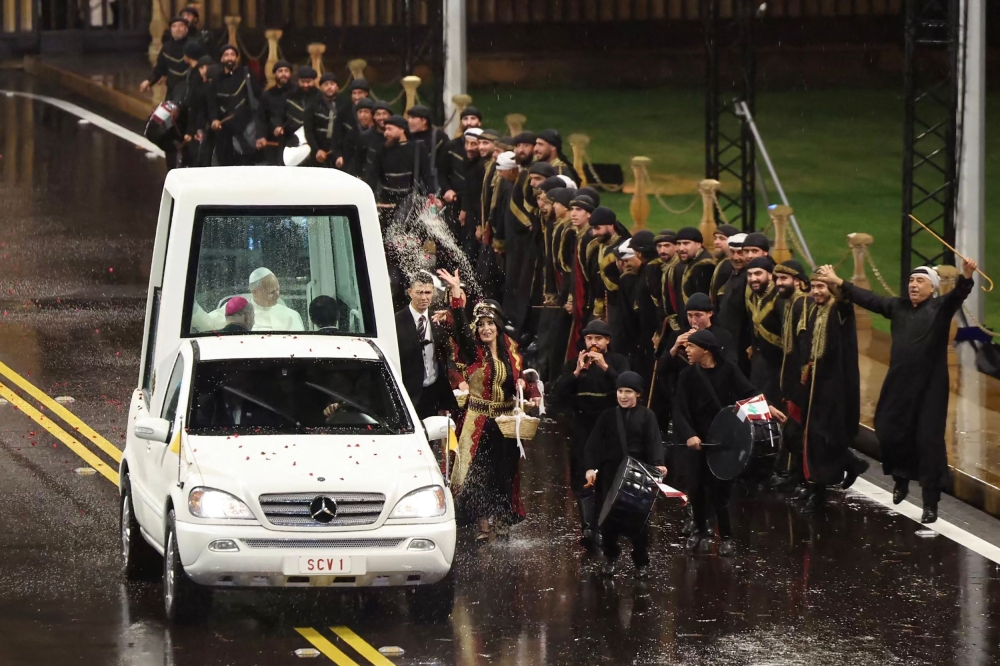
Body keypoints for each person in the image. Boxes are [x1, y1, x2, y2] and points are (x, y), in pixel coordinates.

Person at [815, 258, 977, 524]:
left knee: (928, 442)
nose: (913, 285)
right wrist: (838, 282)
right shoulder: (897, 307)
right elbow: (867, 298)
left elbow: (958, 294)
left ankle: (930, 502)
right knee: (887, 429)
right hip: (898, 384)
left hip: (930, 389)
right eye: (911, 280)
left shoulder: (939, 308)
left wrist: (967, 276)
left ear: (932, 288)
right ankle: (901, 478)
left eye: (920, 281)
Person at [673, 329, 785, 557]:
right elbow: (679, 411)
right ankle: (700, 529)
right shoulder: (687, 376)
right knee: (695, 487)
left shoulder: (729, 370)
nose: (687, 350)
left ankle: (726, 536)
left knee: (720, 491)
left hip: (723, 440)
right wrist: (689, 435)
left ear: (705, 350)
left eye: (691, 347)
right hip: (697, 441)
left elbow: (749, 392)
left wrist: (768, 406)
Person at [439, 270, 527, 541]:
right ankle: (482, 525)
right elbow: (460, 328)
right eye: (481, 325)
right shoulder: (472, 350)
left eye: (490, 324)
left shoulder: (511, 349)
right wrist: (456, 295)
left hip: (505, 423)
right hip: (477, 421)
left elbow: (519, 378)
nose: (485, 329)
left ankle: (502, 520)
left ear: (498, 326)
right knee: (477, 474)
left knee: (504, 474)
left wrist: (527, 389)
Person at [553, 319, 629, 549]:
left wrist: (605, 367)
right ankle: (588, 527)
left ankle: (603, 526)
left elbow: (627, 390)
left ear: (607, 341)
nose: (593, 343)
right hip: (583, 425)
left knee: (608, 476)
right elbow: (557, 396)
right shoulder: (574, 363)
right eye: (589, 338)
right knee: (582, 475)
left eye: (598, 338)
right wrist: (576, 373)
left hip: (610, 426)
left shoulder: (618, 361)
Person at [797, 272, 869, 513]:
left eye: (821, 287)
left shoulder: (839, 310)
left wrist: (837, 282)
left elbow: (846, 302)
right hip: (815, 381)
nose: (816, 292)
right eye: (814, 287)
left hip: (834, 385)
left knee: (824, 435)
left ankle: (819, 491)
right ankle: (844, 468)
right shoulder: (815, 310)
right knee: (815, 436)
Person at [584, 371, 666, 578]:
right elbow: (593, 444)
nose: (623, 395)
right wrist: (590, 468)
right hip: (611, 474)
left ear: (638, 394)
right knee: (608, 520)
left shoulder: (648, 416)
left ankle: (641, 561)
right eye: (620, 391)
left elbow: (655, 441)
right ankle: (611, 557)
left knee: (639, 520)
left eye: (628, 391)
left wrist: (659, 464)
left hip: (639, 474)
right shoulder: (607, 416)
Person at [770, 259, 812, 493]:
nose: (779, 283)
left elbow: (804, 340)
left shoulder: (802, 302)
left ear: (799, 282)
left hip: (800, 380)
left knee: (798, 433)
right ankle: (797, 477)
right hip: (792, 378)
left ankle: (805, 481)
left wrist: (801, 376)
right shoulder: (789, 303)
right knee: (793, 432)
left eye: (784, 279)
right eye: (777, 279)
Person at [395, 273, 458, 419]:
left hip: (433, 393)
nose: (424, 298)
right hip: (407, 395)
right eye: (419, 292)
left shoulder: (438, 319)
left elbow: (446, 357)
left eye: (428, 292)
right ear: (409, 292)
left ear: (433, 293)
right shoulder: (396, 322)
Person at [365, 115, 434, 221]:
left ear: (402, 129)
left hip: (410, 202)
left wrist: (431, 195)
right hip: (386, 202)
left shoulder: (417, 148)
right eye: (385, 129)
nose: (386, 133)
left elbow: (426, 173)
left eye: (389, 129)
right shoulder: (382, 150)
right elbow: (373, 176)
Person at [207, 45, 262, 166]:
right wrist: (214, 119)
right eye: (226, 55)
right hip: (224, 128)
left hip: (245, 127)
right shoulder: (216, 79)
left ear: (237, 58)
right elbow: (212, 103)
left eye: (232, 55)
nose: (229, 58)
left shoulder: (246, 74)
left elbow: (258, 96)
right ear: (221, 59)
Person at [745, 255, 783, 407]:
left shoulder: (780, 298)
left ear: (770, 275)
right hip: (760, 361)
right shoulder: (753, 296)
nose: (753, 278)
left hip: (778, 363)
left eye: (758, 274)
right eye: (750, 275)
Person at [141, 16, 189, 99]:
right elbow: (160, 68)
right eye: (174, 26)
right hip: (172, 92)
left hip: (189, 92)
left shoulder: (193, 46)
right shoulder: (167, 48)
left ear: (186, 29)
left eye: (181, 26)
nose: (178, 29)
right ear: (171, 30)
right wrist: (149, 81)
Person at [257, 59, 293, 165]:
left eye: (286, 71)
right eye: (280, 71)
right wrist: (261, 136)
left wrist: (284, 128)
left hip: (292, 140)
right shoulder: (267, 95)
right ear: (275, 74)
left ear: (290, 73)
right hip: (273, 141)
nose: (283, 74)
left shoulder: (296, 93)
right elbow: (261, 117)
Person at [304, 73, 342, 168]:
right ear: (321, 87)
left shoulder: (344, 104)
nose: (329, 87)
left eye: (332, 84)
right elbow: (308, 130)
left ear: (337, 87)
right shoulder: (312, 105)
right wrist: (317, 149)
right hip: (318, 149)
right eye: (326, 84)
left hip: (338, 151)